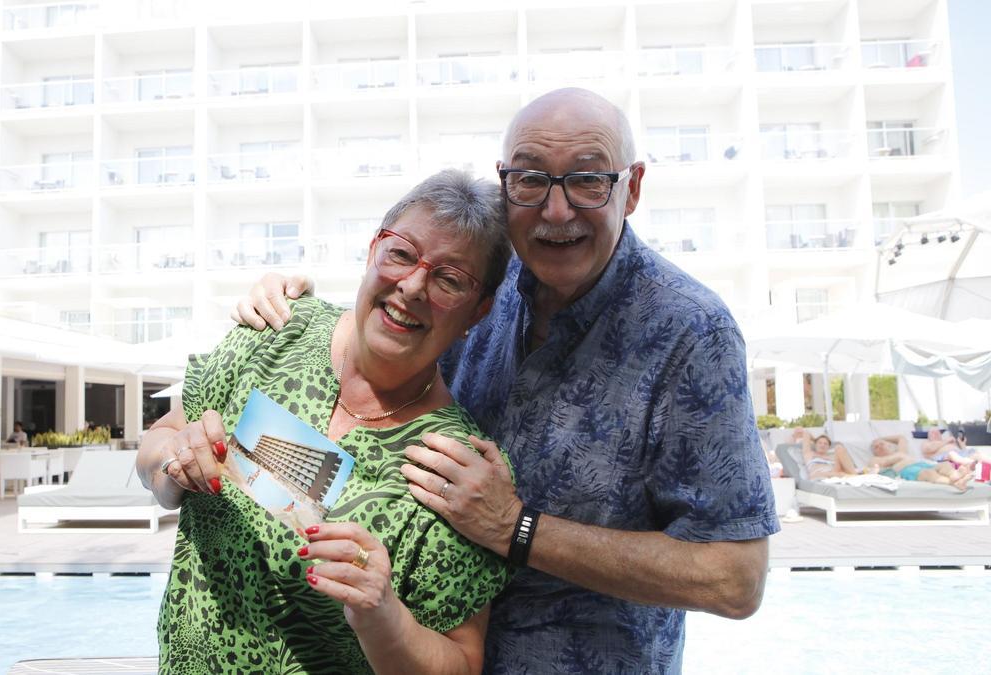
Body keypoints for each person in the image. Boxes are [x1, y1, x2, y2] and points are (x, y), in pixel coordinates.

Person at [233, 87, 779, 672]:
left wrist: (516, 528)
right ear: (505, 184)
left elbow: (735, 579)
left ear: (633, 188)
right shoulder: (475, 282)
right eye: (531, 179)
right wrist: (302, 319)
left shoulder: (692, 332)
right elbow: (383, 366)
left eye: (587, 180)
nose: (557, 211)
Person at [137, 170, 515, 673]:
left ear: (478, 312)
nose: (412, 286)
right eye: (401, 253)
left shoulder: (455, 467)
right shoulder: (277, 330)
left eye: (449, 280)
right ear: (373, 250)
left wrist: (383, 615)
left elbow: (462, 664)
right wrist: (173, 465)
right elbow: (157, 444)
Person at [791, 427, 860, 479]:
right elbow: (807, 433)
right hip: (819, 474)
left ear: (828, 447)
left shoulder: (831, 457)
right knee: (835, 474)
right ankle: (853, 476)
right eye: (820, 443)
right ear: (815, 444)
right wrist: (816, 440)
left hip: (834, 472)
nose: (822, 445)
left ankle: (855, 476)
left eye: (825, 444)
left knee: (839, 447)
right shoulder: (809, 454)